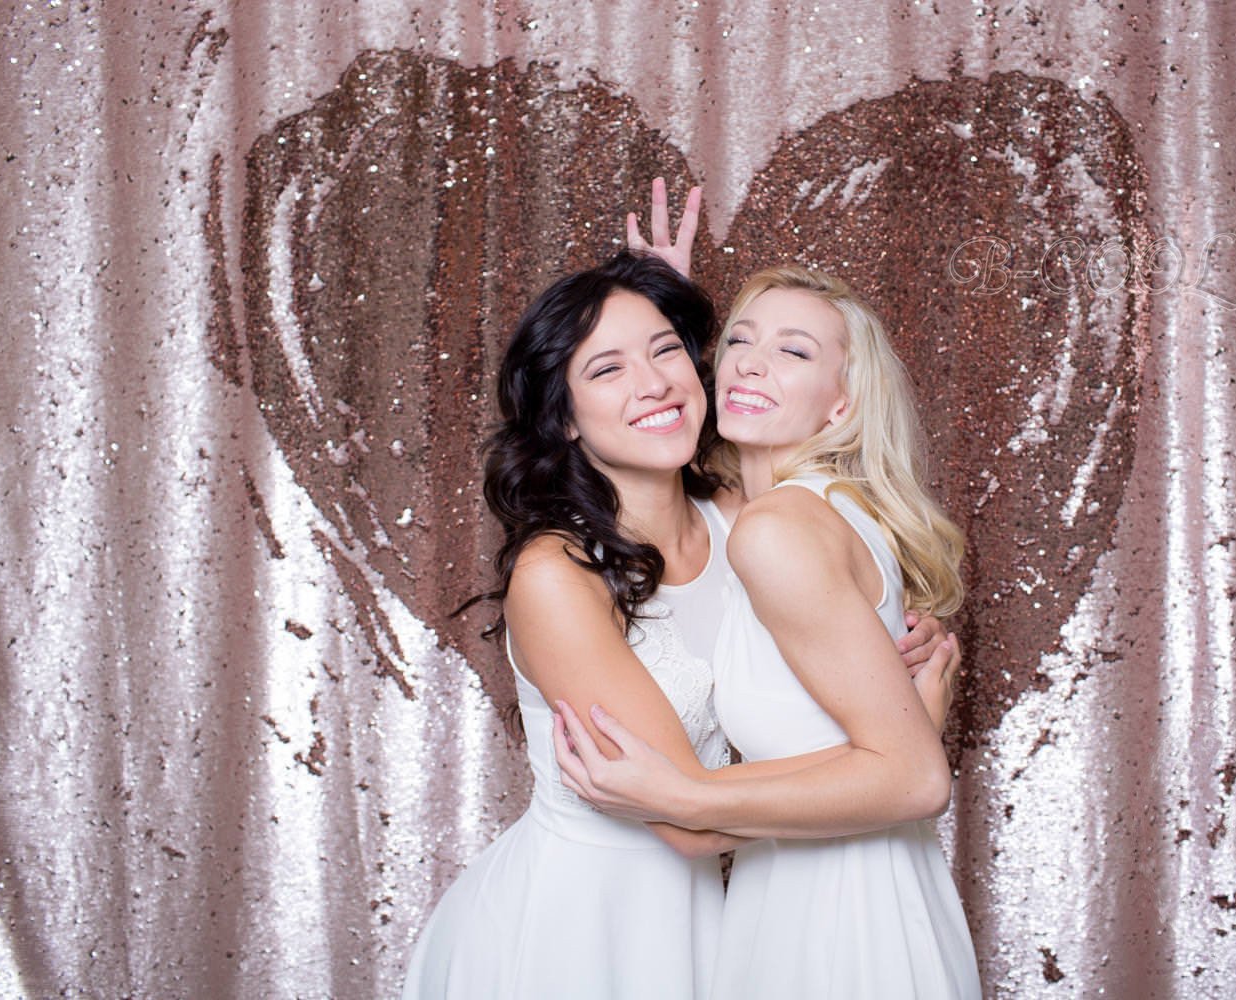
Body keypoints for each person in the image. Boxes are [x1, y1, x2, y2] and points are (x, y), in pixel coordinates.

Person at [401, 250, 956, 999]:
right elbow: (686, 817)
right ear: (562, 418)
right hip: (580, 930)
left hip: (721, 920)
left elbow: (835, 595)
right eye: (607, 370)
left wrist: (905, 646)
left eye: (667, 352)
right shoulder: (556, 577)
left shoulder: (746, 520)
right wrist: (895, 748)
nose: (655, 382)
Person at [553, 186, 981, 998]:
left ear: (843, 403)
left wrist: (685, 795)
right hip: (849, 898)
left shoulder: (776, 528)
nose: (751, 362)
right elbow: (669, 457)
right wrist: (658, 318)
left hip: (836, 926)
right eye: (739, 342)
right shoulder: (808, 512)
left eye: (795, 352)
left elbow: (916, 779)